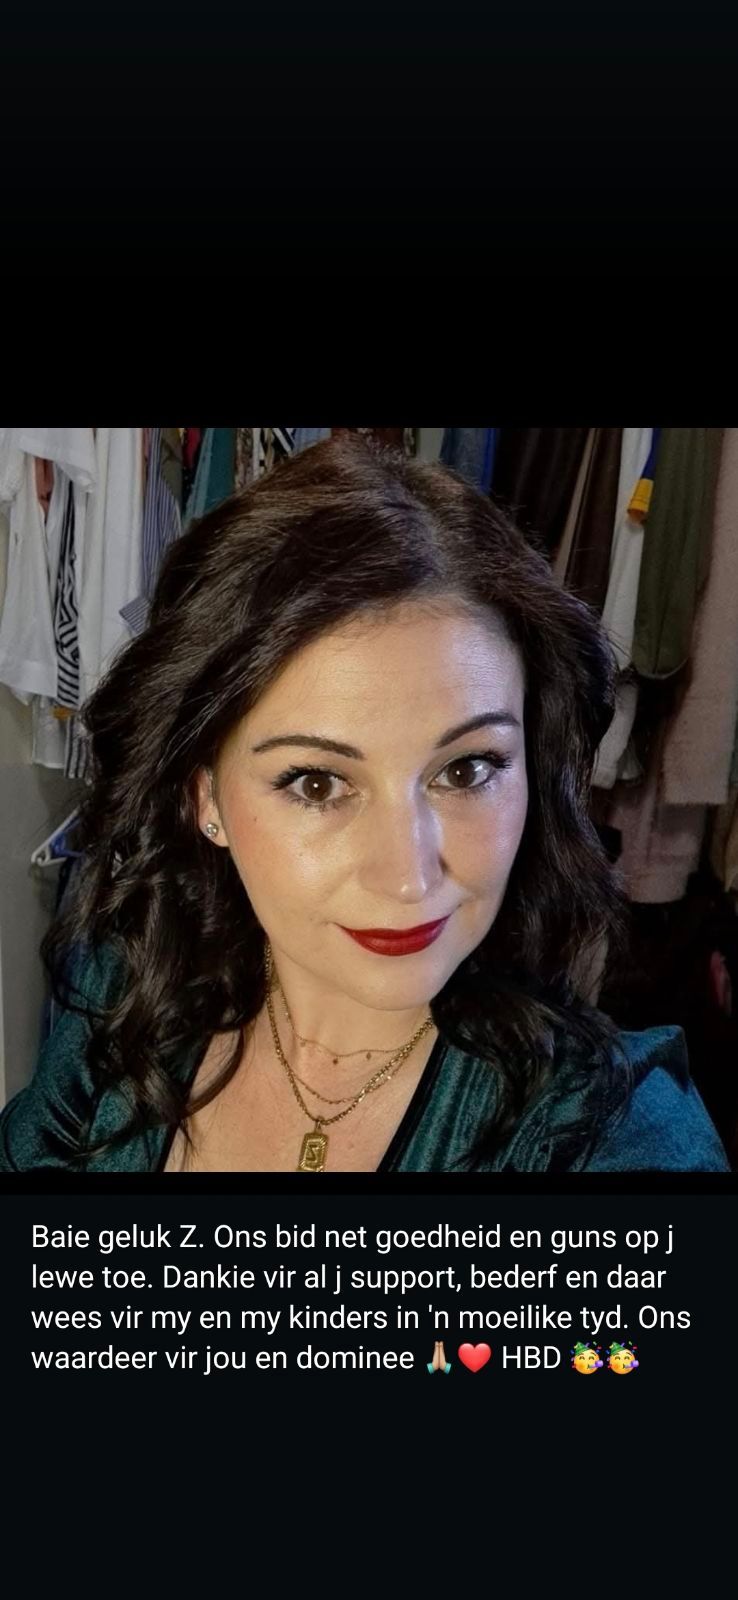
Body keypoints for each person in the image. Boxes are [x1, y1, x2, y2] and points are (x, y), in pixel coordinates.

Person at [0, 435, 729, 1172]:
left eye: (467, 769)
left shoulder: (611, 1131)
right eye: (317, 784)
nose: (408, 877)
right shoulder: (127, 999)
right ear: (204, 795)